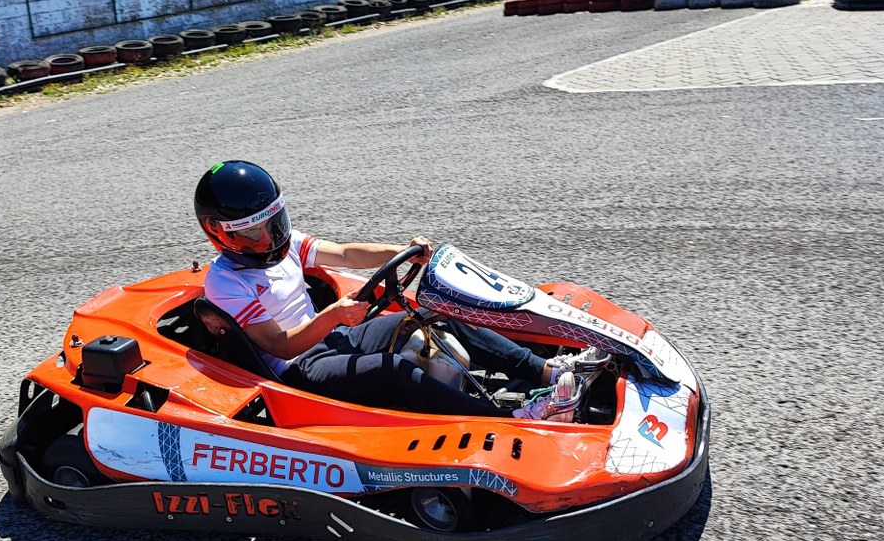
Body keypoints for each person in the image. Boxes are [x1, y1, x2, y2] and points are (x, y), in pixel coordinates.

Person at [195, 160, 605, 420]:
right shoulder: (225, 281)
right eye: (255, 231)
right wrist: (333, 316)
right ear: (220, 233)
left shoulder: (284, 247)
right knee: (390, 370)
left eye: (274, 222)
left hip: (331, 337)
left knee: (436, 314)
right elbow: (280, 345)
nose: (271, 236)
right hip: (298, 370)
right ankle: (508, 420)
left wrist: (401, 251)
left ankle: (549, 371)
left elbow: (345, 253)